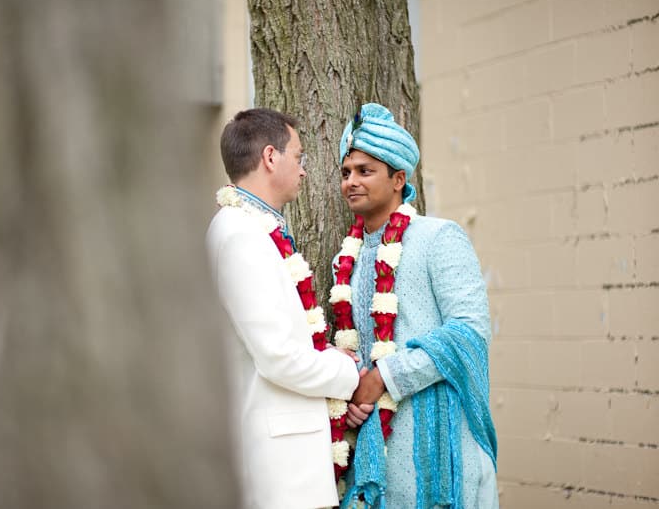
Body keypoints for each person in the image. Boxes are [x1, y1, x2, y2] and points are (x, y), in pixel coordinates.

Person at [332, 103, 498, 508]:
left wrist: (385, 376)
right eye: (346, 172)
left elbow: (469, 332)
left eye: (365, 171)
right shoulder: (346, 259)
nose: (351, 182)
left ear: (399, 179)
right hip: (373, 446)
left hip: (438, 442)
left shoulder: (439, 237)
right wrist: (352, 393)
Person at [206, 108, 361, 509]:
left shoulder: (252, 229)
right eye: (299, 156)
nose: (304, 170)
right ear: (271, 157)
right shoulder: (240, 234)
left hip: (289, 468)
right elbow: (277, 356)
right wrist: (348, 371)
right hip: (279, 474)